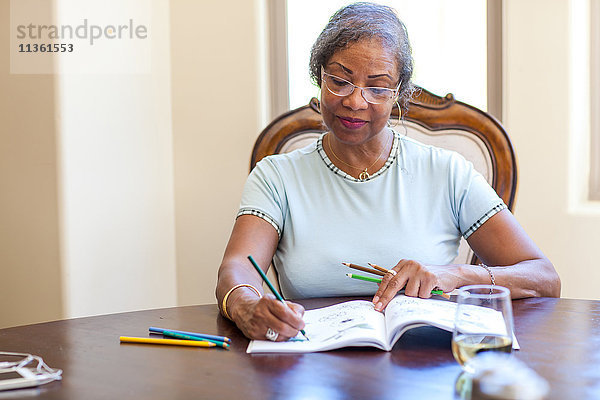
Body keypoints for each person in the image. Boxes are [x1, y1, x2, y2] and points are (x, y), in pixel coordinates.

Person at [215, 2, 561, 342]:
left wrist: (455, 275)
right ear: (318, 78)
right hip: (311, 360)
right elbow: (237, 269)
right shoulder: (276, 175)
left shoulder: (448, 172)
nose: (355, 101)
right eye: (339, 80)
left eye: (377, 87)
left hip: (422, 364)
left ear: (399, 94)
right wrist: (248, 307)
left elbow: (543, 277)